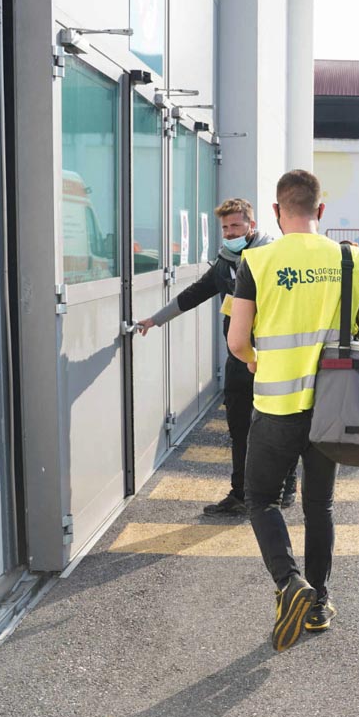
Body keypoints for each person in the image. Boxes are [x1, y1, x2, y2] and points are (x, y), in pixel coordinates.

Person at [227, 169, 359, 652]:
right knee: (319, 504)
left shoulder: (257, 261)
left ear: (276, 212)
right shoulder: (352, 259)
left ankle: (288, 581)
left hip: (276, 407)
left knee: (261, 498)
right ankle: (318, 603)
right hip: (333, 410)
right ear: (321, 210)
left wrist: (255, 360)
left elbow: (237, 341)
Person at [138, 198, 297, 515]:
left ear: (252, 225)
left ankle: (286, 487)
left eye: (236, 225)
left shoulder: (276, 257)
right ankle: (240, 495)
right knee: (239, 430)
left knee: (281, 428)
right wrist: (155, 319)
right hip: (239, 359)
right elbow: (194, 294)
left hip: (275, 359)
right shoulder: (225, 262)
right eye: (225, 227)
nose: (230, 232)